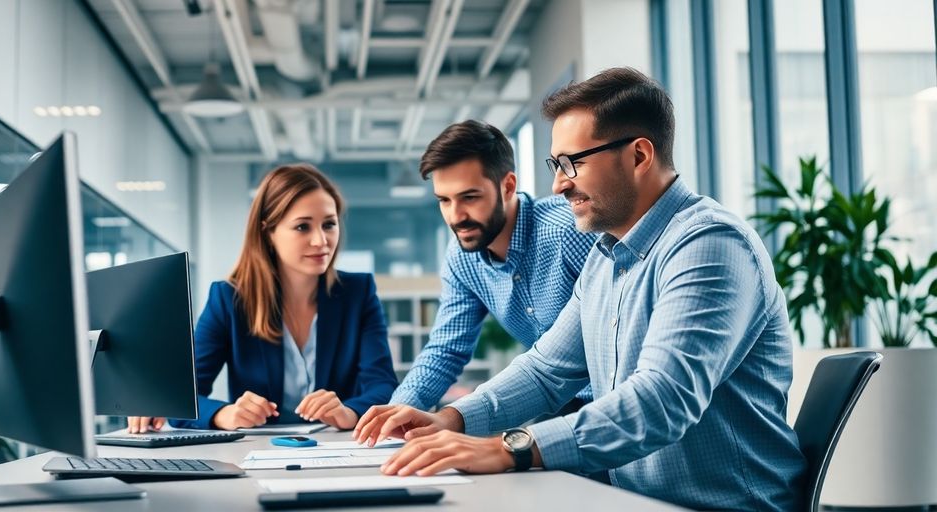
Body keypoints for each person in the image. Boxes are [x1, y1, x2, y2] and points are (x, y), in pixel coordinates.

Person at [353, 68, 807, 511]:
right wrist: (451, 419)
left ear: (638, 156)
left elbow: (663, 399)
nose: (557, 183)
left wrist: (510, 447)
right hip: (628, 496)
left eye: (572, 163)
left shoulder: (708, 245)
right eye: (555, 164)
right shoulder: (606, 257)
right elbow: (547, 370)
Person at [128, 163, 398, 433]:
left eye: (329, 224)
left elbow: (383, 384)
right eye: (303, 227)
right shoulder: (228, 299)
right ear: (268, 232)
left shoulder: (358, 293)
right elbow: (182, 395)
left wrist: (349, 412)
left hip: (338, 446)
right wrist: (225, 413)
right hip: (256, 449)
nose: (321, 240)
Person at [389, 120, 598, 412]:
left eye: (469, 197)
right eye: (444, 200)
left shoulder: (567, 232)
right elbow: (446, 349)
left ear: (508, 186)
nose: (456, 215)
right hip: (556, 405)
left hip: (609, 398)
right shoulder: (462, 257)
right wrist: (400, 408)